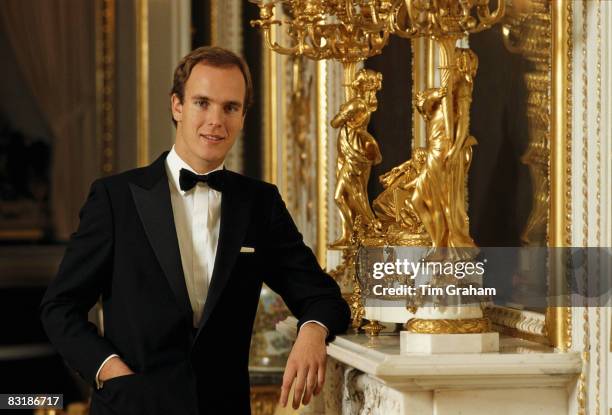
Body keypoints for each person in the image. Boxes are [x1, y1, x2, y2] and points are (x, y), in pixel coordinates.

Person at [40, 46, 350, 415]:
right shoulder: (115, 198)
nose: (215, 120)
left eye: (230, 107)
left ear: (242, 117)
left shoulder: (259, 204)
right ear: (177, 106)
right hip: (132, 407)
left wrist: (312, 332)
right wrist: (111, 372)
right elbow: (59, 309)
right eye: (202, 102)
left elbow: (322, 296)